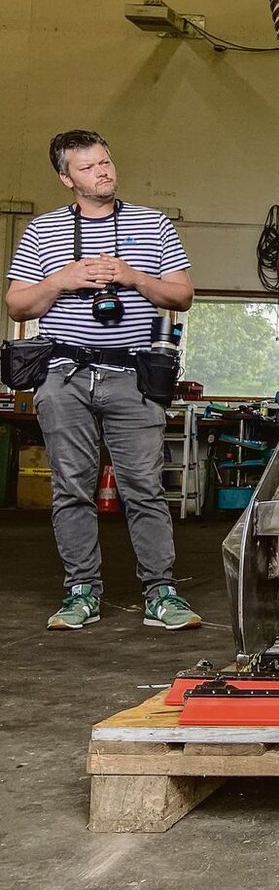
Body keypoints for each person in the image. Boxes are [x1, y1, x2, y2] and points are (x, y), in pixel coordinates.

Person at [5, 130, 201, 631]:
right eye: (90, 167)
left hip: (132, 376)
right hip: (63, 376)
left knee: (144, 488)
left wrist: (133, 277)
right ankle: (81, 592)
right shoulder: (42, 231)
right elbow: (17, 305)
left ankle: (161, 593)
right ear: (66, 177)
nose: (104, 172)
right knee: (71, 488)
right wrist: (59, 281)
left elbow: (181, 296)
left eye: (107, 162)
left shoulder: (152, 223)